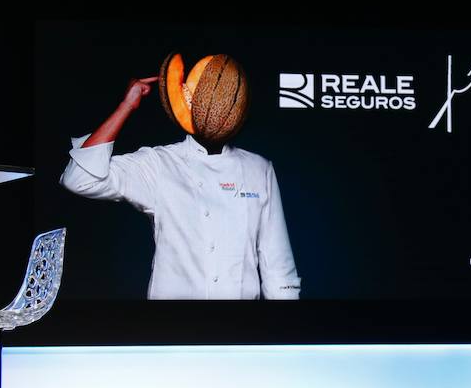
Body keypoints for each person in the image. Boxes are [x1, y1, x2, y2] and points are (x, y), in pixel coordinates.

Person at [60, 76, 301, 300]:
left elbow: (278, 266)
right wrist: (127, 106)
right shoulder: (159, 163)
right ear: (187, 104)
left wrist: (285, 333)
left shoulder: (259, 168)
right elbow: (79, 178)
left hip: (240, 327)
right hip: (171, 324)